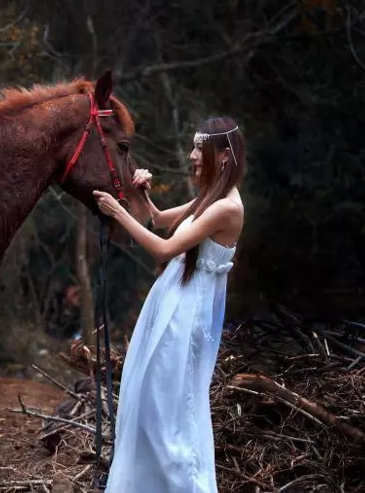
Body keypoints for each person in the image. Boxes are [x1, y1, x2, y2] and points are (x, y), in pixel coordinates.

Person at [92, 116, 246, 493]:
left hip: (185, 316)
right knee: (149, 403)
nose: (193, 156)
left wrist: (118, 212)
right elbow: (161, 221)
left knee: (171, 412)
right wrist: (141, 195)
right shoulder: (210, 198)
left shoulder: (227, 207)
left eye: (200, 149)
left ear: (223, 156)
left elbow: (162, 248)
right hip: (171, 304)